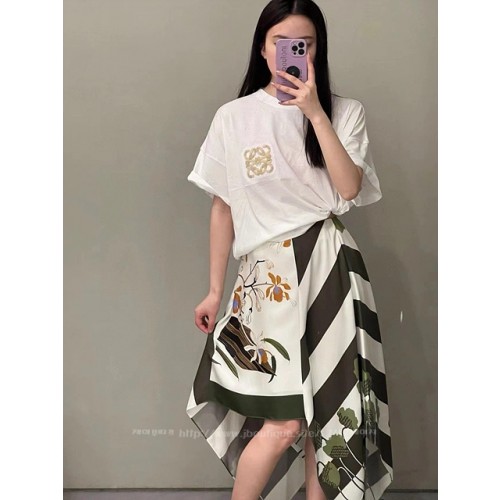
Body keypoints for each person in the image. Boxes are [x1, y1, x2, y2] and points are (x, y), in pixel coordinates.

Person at [185, 1, 393, 499]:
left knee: (331, 420)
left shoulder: (345, 112)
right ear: (262, 48)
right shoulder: (234, 118)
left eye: (305, 44)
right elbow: (222, 209)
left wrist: (315, 112)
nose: (292, 53)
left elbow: (348, 188)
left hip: (329, 268)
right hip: (267, 280)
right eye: (281, 42)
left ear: (318, 50)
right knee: (283, 424)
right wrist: (214, 290)